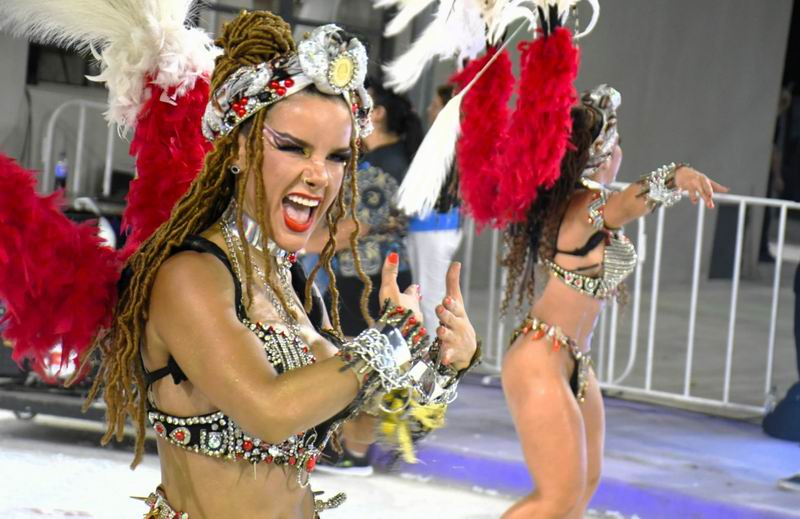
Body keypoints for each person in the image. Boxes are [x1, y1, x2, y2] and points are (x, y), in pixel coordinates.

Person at [79, 13, 478, 518]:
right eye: (293, 148)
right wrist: (388, 342)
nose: (319, 175)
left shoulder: (290, 284)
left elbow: (357, 430)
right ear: (239, 149)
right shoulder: (191, 276)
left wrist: (438, 366)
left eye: (337, 157)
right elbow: (270, 411)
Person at [499, 86, 728, 518]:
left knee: (584, 484)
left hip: (571, 357)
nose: (621, 151)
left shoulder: (577, 203)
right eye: (616, 143)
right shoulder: (586, 206)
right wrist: (675, 176)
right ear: (602, 154)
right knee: (557, 496)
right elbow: (627, 203)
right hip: (540, 358)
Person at [305, 81, 424, 474]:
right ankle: (349, 447)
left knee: (362, 365)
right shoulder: (382, 160)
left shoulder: (385, 165)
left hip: (369, 281)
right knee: (359, 362)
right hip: (363, 276)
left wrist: (298, 244)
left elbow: (355, 227)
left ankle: (354, 450)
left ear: (378, 114)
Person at [406, 83, 464, 329]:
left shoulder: (449, 143)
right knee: (426, 293)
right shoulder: (443, 141)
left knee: (430, 296)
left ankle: (436, 347)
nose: (429, 110)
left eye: (435, 105)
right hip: (431, 226)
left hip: (434, 227)